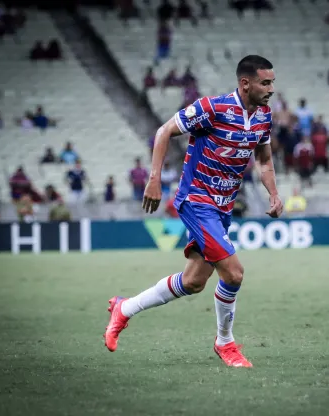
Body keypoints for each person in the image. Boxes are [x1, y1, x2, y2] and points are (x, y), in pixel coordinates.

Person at [104, 55, 283, 368]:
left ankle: (124, 308)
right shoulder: (212, 108)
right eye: (265, 82)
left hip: (223, 207)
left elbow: (264, 160)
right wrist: (155, 179)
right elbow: (164, 132)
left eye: (272, 82)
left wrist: (274, 193)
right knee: (234, 272)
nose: (271, 88)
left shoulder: (264, 116)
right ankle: (225, 343)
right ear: (245, 83)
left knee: (194, 281)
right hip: (197, 200)